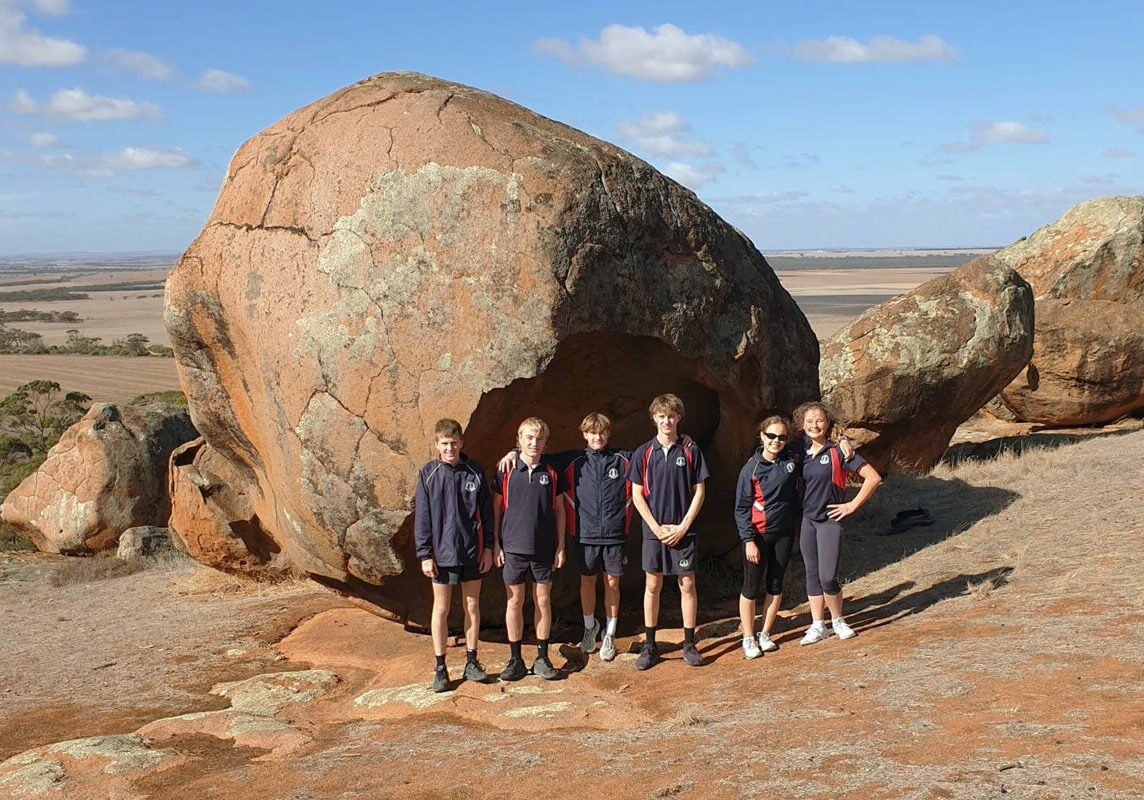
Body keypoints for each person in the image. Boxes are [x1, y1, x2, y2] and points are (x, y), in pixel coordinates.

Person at [627, 393, 709, 670]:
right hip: (654, 531)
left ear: (679, 418)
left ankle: (689, 644)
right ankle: (650, 646)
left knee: (687, 584)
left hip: (684, 530)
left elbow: (699, 490)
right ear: (654, 418)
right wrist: (655, 528)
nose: (666, 420)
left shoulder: (690, 450)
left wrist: (684, 526)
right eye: (661, 415)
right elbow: (637, 495)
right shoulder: (643, 452)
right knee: (653, 585)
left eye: (671, 415)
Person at [414, 418, 495, 693]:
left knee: (472, 605)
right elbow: (422, 517)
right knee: (441, 609)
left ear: (462, 443)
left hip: (473, 551)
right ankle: (440, 667)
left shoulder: (474, 471)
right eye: (445, 444)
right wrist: (425, 553)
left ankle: (472, 661)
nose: (450, 448)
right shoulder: (428, 474)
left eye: (454, 443)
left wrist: (488, 548)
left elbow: (487, 512)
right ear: (437, 445)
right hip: (442, 554)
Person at [794, 401, 881, 645]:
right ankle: (817, 625)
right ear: (802, 425)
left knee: (827, 576)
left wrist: (852, 505)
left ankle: (838, 620)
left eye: (819, 420)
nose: (814, 425)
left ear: (828, 423)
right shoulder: (799, 450)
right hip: (806, 520)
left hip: (830, 520)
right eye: (809, 421)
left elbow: (872, 478)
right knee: (811, 573)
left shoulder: (839, 452)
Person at [492, 417, 567, 681]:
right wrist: (495, 544)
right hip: (513, 548)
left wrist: (560, 546)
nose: (534, 443)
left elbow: (560, 511)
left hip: (544, 548)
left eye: (539, 438)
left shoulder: (553, 471)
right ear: (519, 439)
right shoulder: (506, 469)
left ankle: (542, 657)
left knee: (542, 601)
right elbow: (496, 509)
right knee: (514, 601)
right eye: (529, 438)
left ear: (546, 442)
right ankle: (515, 660)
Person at [733, 415, 800, 659]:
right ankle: (748, 637)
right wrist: (748, 540)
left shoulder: (792, 458)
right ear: (762, 436)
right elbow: (741, 508)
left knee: (775, 583)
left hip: (784, 533)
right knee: (751, 587)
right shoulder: (751, 469)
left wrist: (843, 439)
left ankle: (765, 633)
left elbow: (817, 440)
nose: (776, 441)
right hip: (758, 536)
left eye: (782, 437)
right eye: (771, 436)